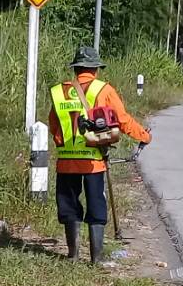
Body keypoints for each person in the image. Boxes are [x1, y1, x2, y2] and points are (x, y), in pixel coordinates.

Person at [47, 45, 150, 263]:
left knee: (68, 205)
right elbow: (122, 120)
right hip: (93, 161)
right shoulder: (104, 90)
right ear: (95, 69)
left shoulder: (58, 92)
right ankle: (96, 257)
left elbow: (54, 126)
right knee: (96, 205)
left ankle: (73, 255)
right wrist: (144, 136)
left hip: (66, 161)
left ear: (76, 69)